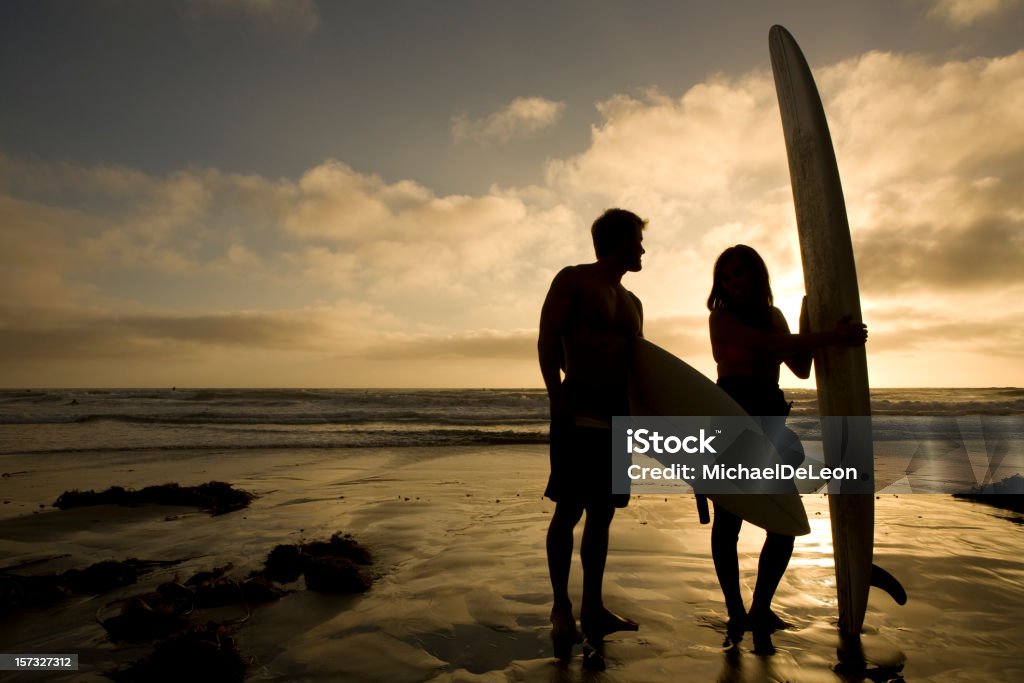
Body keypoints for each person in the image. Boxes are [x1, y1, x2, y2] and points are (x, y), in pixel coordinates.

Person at [706, 244, 867, 653]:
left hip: (770, 420)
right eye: (725, 276)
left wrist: (808, 317)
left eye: (739, 273)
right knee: (730, 521)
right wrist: (834, 336)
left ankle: (760, 607)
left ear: (756, 275)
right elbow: (765, 347)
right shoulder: (721, 318)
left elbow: (799, 365)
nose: (732, 282)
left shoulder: (773, 317)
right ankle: (734, 608)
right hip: (733, 423)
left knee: (784, 524)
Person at [538, 208, 645, 658]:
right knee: (569, 510)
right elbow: (547, 339)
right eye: (637, 240)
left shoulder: (634, 302)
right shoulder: (574, 279)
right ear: (617, 240)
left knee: (604, 515)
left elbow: (639, 367)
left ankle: (593, 606)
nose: (642, 249)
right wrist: (555, 397)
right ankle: (561, 607)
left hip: (618, 417)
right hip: (578, 408)